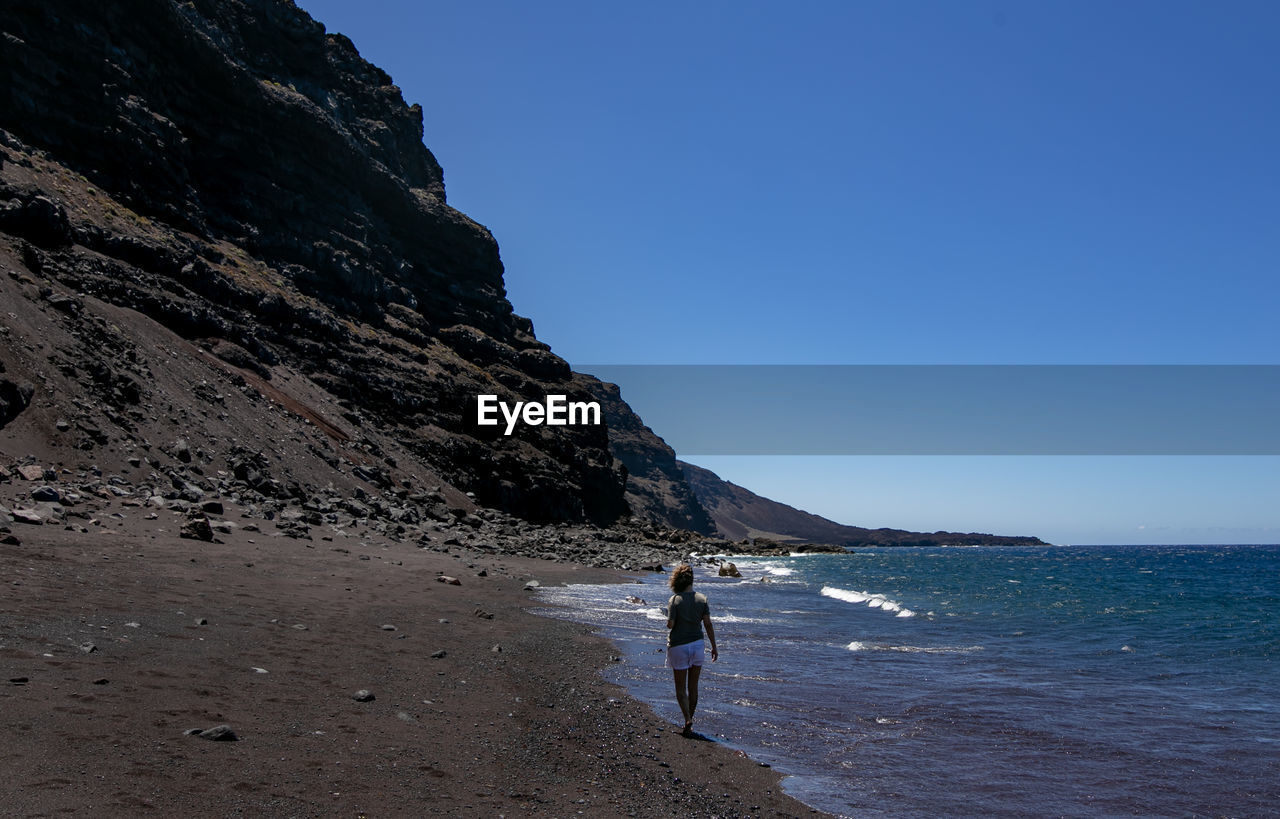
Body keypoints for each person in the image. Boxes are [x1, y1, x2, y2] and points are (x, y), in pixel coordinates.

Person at [665, 563, 718, 735]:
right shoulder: (702, 599)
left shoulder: (674, 600)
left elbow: (670, 625)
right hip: (697, 645)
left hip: (679, 645)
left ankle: (687, 718)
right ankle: (690, 720)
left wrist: (669, 619)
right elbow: (708, 625)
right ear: (692, 580)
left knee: (680, 687)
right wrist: (714, 647)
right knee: (693, 686)